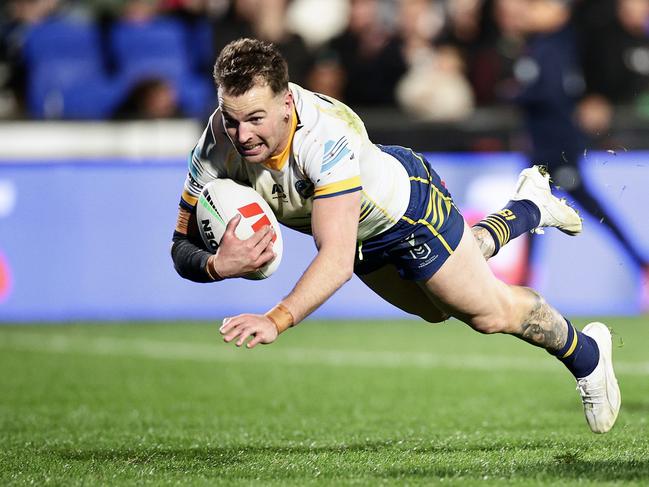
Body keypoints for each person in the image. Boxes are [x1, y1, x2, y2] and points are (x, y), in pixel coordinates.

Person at [171, 38, 620, 434]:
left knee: (488, 314)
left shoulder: (325, 141)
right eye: (232, 120)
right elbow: (179, 245)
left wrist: (276, 319)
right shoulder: (216, 144)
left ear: (287, 102)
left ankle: (587, 355)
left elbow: (336, 260)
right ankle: (528, 207)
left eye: (255, 118)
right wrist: (216, 265)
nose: (242, 135)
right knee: (437, 309)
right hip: (363, 234)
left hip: (406, 210)